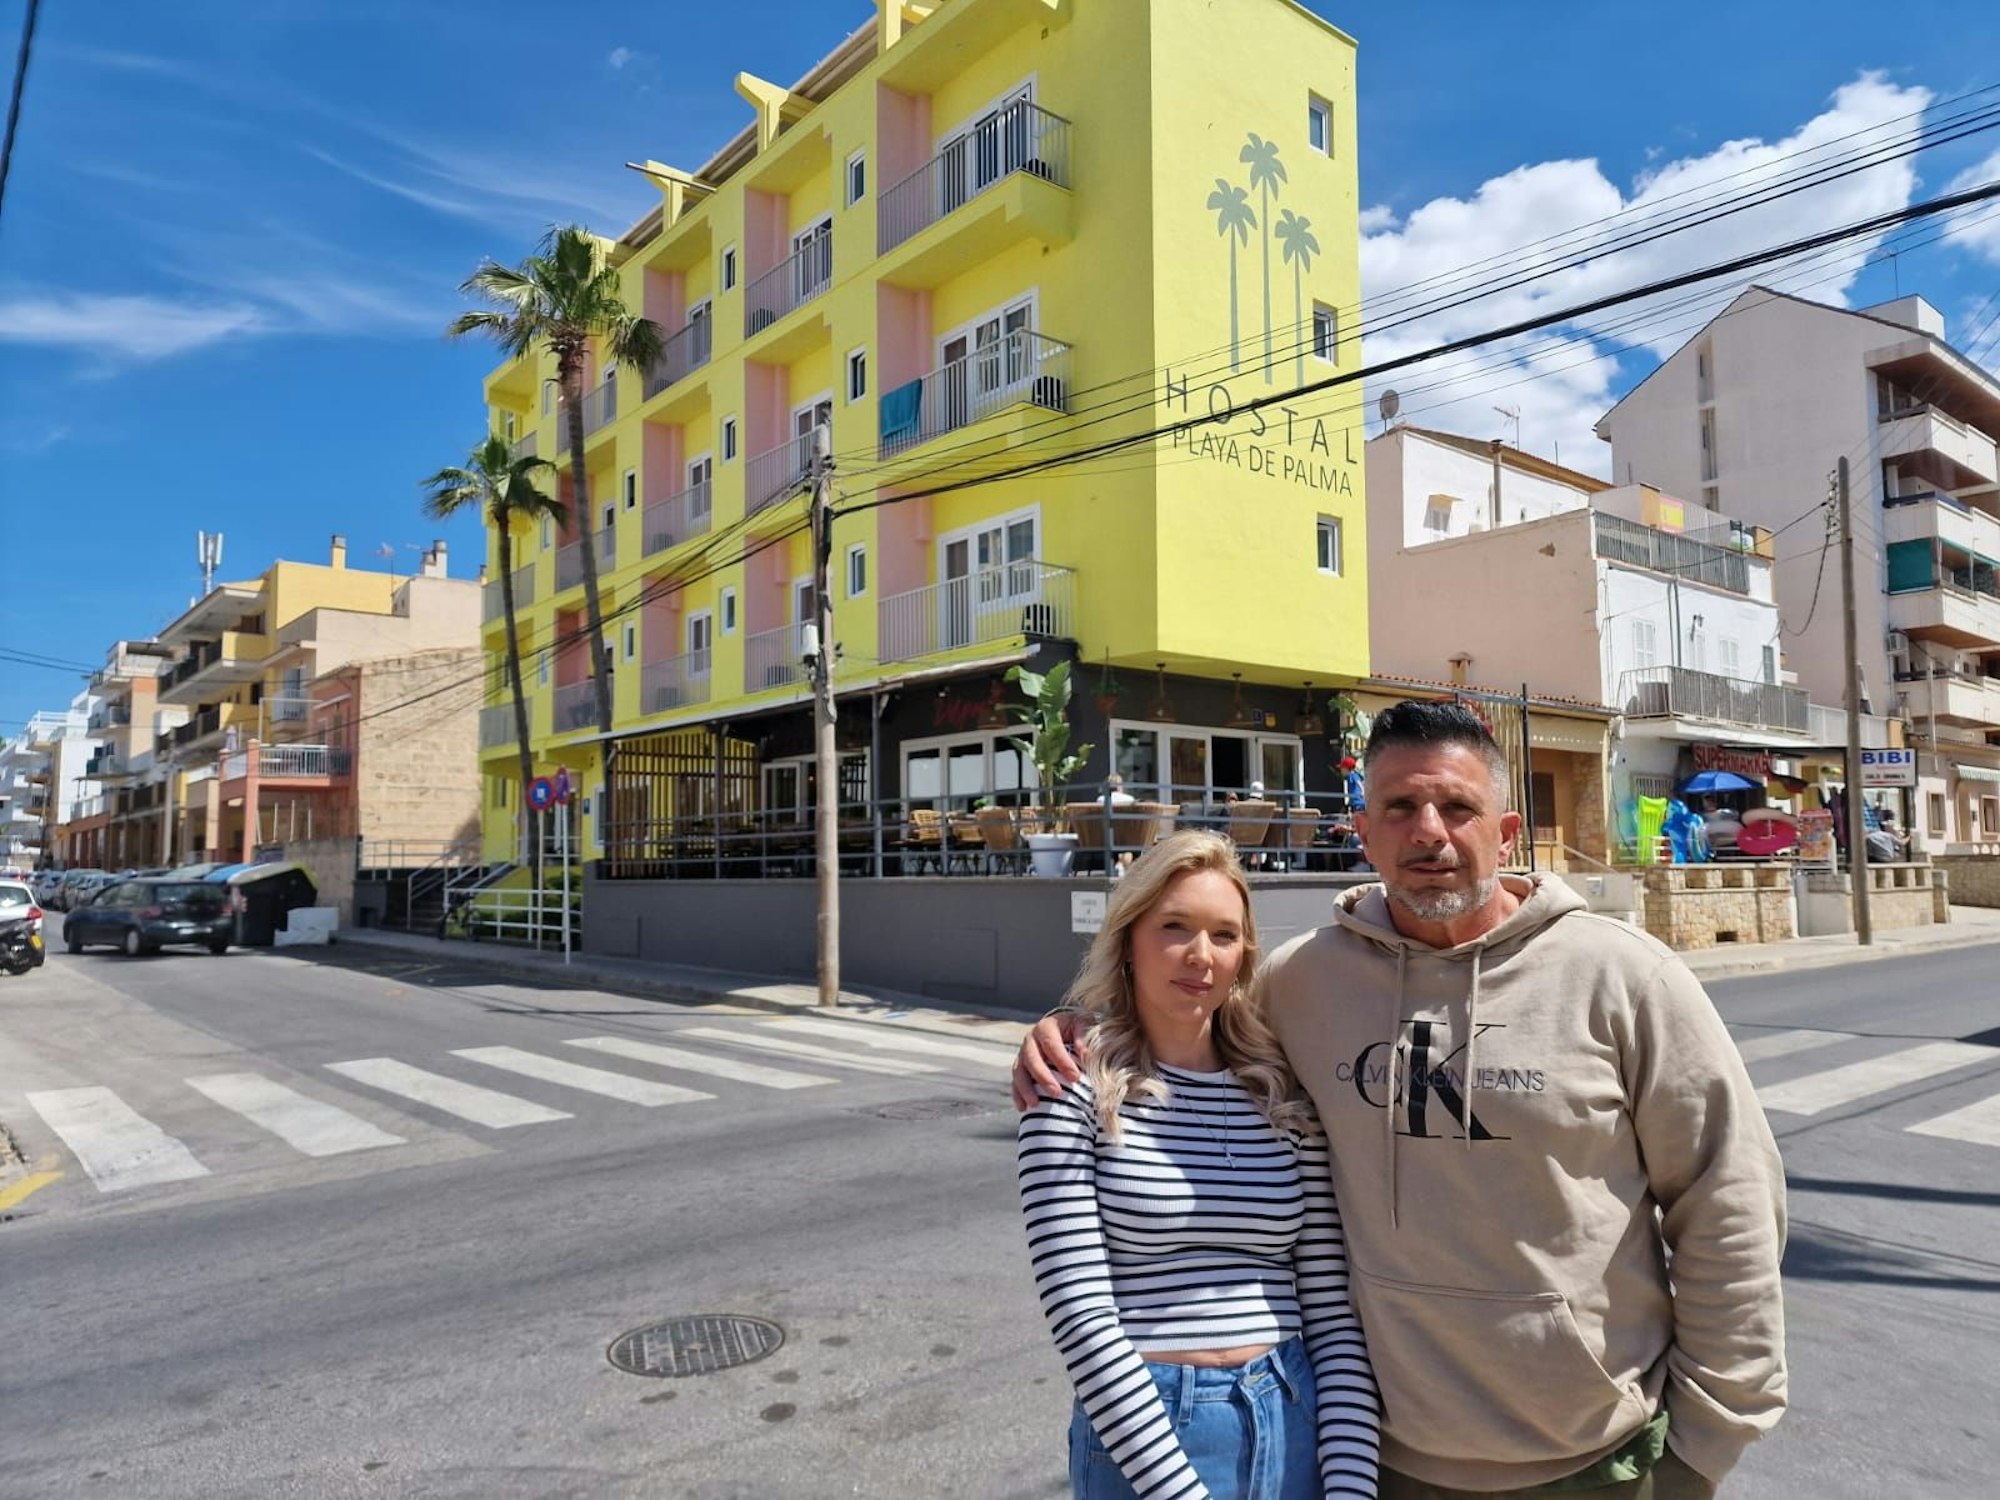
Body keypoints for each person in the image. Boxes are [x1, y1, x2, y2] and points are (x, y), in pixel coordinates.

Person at [1019, 701, 1787, 1498]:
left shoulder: (1625, 978)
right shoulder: (1301, 982)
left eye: (1458, 807)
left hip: (1596, 1461)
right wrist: (1075, 1026)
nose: (1430, 831)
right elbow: (1185, 1019)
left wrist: (1703, 1446)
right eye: (1400, 808)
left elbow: (1729, 1201)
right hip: (1380, 1457)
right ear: (1364, 831)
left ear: (1507, 828)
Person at [1017, 830, 1380, 1499]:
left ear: (1244, 956)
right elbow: (1081, 1318)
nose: (1199, 955)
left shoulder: (1282, 1094)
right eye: (1174, 927)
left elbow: (1331, 1317)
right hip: (1147, 1435)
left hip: (1291, 1414)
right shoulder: (1069, 1087)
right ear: (1129, 939)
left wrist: (1352, 1485)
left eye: (1223, 934)